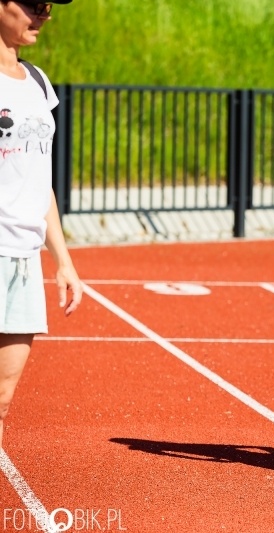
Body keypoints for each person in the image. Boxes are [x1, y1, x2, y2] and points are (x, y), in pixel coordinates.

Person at [0, 0, 82, 449]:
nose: (44, 14)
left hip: (25, 259)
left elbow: (40, 177)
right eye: (33, 4)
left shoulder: (37, 81)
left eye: (48, 6)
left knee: (3, 399)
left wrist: (63, 261)